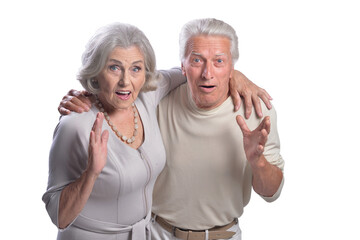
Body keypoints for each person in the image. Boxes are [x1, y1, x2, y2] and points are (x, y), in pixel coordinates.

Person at [58, 19, 283, 240]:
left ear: (232, 67)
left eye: (219, 61)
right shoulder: (157, 100)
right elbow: (122, 87)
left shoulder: (257, 112)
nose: (207, 73)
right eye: (197, 60)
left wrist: (258, 162)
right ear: (183, 66)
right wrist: (85, 96)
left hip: (224, 235)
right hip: (156, 233)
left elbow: (272, 193)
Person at [42, 22, 188, 240]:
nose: (126, 81)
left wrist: (238, 77)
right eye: (114, 68)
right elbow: (59, 216)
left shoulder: (146, 97)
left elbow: (189, 72)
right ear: (96, 71)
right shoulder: (75, 125)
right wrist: (91, 173)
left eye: (136, 69)